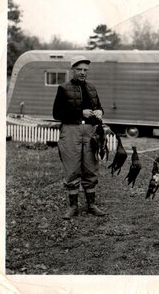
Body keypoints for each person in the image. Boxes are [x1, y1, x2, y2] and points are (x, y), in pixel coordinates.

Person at [53, 55, 107, 220]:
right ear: (73, 70)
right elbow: (57, 114)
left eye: (85, 70)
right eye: (79, 69)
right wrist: (79, 113)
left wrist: (100, 112)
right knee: (72, 168)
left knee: (91, 167)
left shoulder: (92, 88)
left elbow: (99, 107)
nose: (83, 73)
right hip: (70, 130)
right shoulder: (63, 88)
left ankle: (91, 205)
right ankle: (73, 207)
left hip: (90, 131)